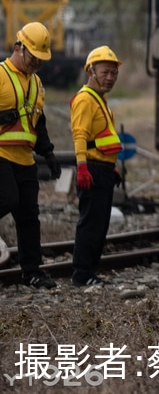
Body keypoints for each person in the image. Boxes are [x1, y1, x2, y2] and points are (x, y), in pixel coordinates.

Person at [0, 22, 61, 289]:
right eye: (34, 58)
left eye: (41, 60)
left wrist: (48, 153)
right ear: (18, 48)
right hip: (1, 154)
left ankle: (32, 272)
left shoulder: (36, 83)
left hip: (25, 160)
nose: (37, 63)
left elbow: (38, 122)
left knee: (28, 216)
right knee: (7, 199)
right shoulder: (1, 75)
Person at [70, 45, 124, 288]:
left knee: (100, 223)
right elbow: (80, 135)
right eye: (105, 72)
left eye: (114, 73)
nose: (110, 78)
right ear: (91, 71)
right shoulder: (85, 99)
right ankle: (82, 274)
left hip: (101, 169)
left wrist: (110, 166)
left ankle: (90, 271)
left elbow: (102, 137)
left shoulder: (100, 101)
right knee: (91, 223)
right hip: (90, 169)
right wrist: (82, 167)